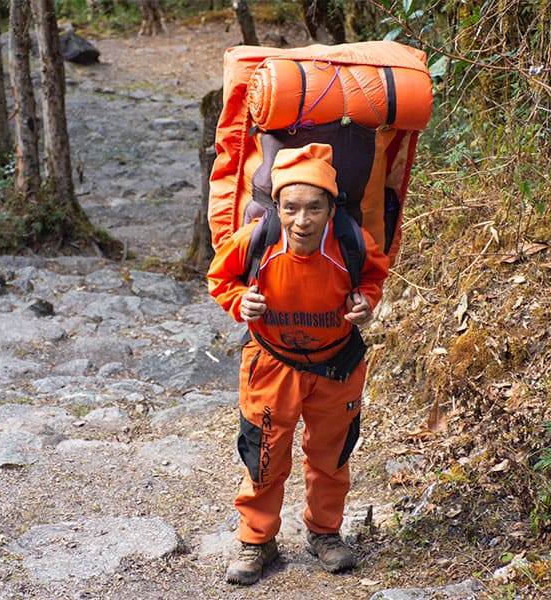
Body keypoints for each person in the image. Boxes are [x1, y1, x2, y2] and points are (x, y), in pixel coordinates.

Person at [206, 142, 389, 585]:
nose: (301, 220)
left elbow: (374, 277)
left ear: (330, 207)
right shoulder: (256, 239)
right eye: (290, 208)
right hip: (272, 365)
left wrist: (366, 303)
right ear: (277, 206)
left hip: (336, 367)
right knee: (264, 456)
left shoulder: (350, 242)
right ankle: (257, 541)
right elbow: (220, 277)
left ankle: (325, 534)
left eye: (313, 208)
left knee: (330, 457)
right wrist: (239, 302)